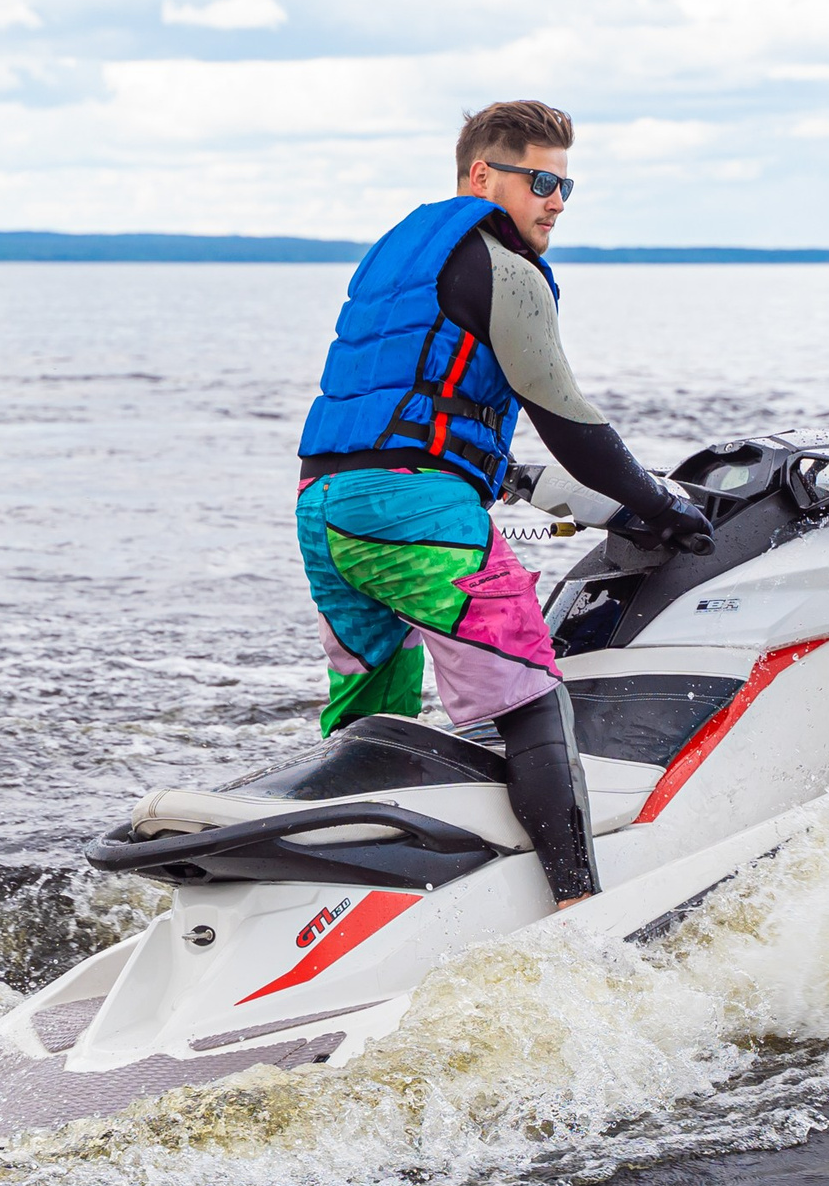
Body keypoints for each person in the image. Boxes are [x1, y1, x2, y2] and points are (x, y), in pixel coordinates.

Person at [295, 99, 714, 906]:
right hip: (412, 515)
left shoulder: (399, 259)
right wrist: (658, 507)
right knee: (529, 690)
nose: (556, 200)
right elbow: (572, 423)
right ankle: (579, 913)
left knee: (372, 714)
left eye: (567, 185)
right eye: (542, 180)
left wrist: (578, 500)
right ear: (483, 175)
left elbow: (418, 422)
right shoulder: (504, 268)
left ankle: (330, 891)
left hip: (324, 510)